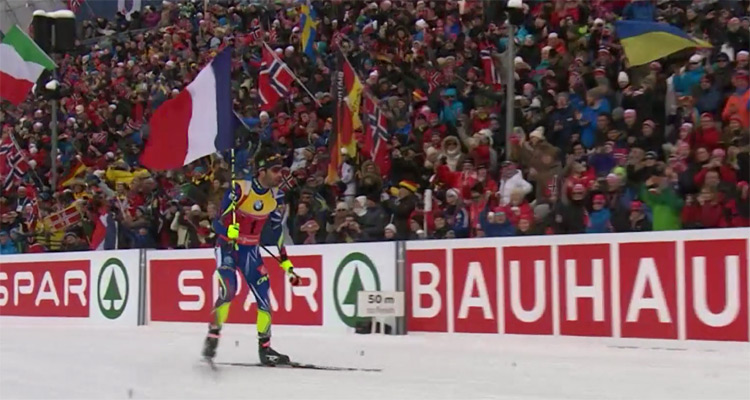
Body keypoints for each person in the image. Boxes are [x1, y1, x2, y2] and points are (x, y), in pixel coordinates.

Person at [201, 148, 301, 366]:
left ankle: (265, 349)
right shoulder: (240, 189)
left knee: (264, 297)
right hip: (228, 248)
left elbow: (277, 235)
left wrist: (288, 266)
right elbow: (216, 222)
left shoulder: (276, 197)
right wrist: (228, 232)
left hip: (251, 251)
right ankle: (213, 335)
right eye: (275, 170)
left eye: (281, 171)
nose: (279, 175)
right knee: (229, 291)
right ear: (261, 171)